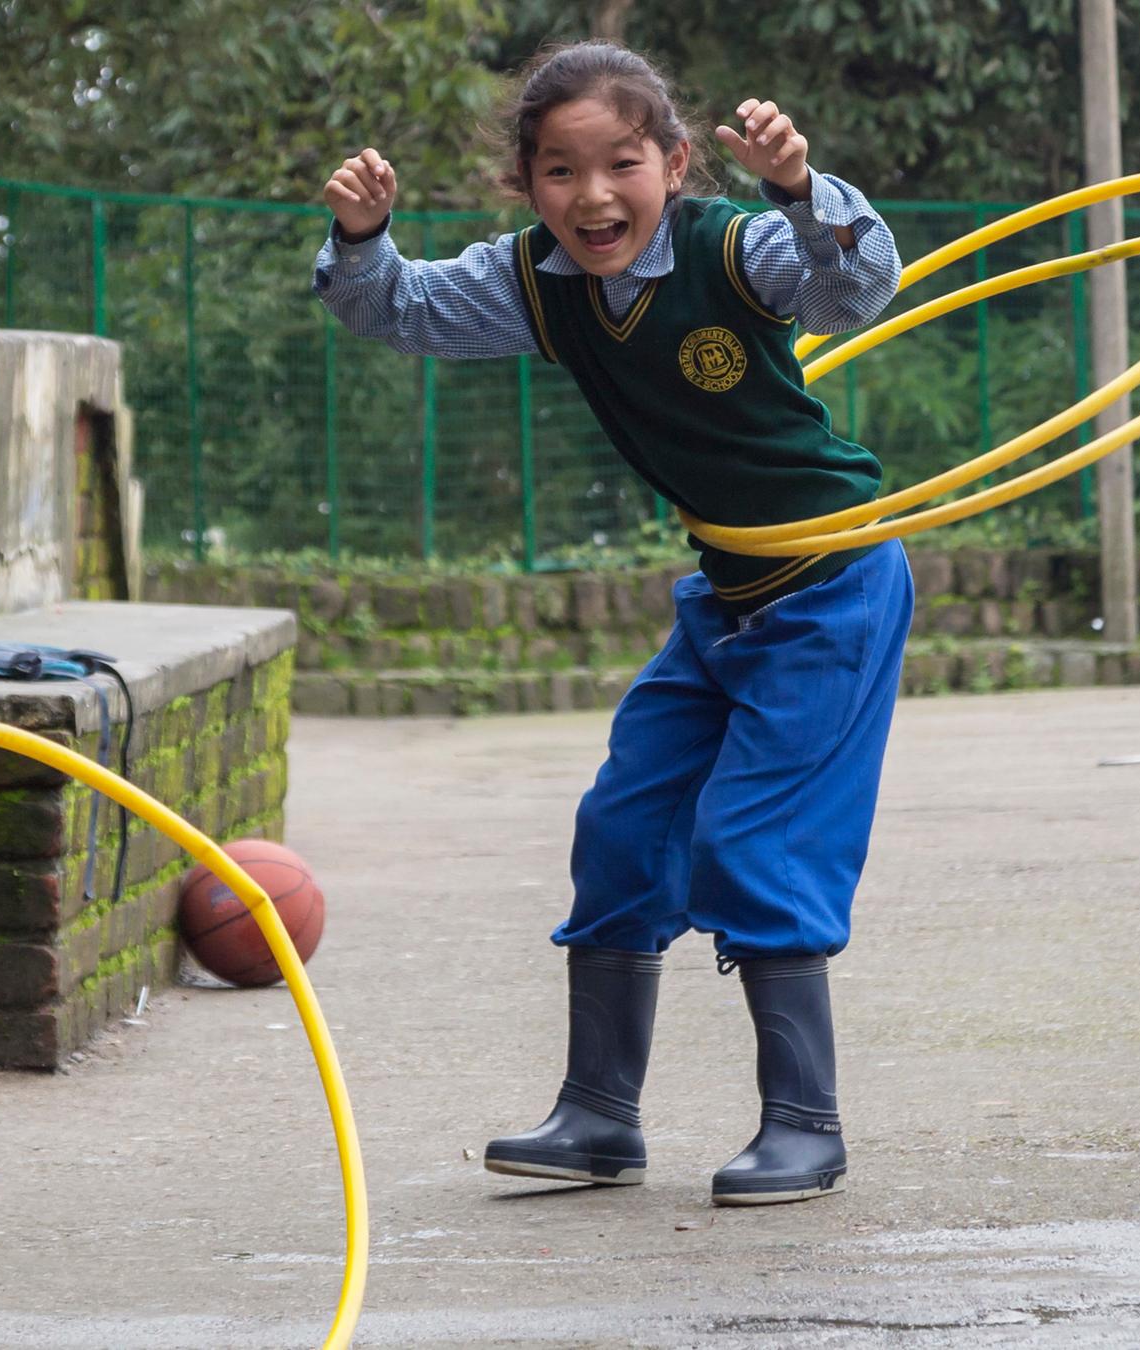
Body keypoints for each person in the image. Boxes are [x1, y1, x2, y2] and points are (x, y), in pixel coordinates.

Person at [314, 41, 910, 1205]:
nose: (593, 197)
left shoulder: (736, 249)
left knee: (755, 839)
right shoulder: (536, 282)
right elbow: (402, 309)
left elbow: (854, 291)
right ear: (526, 186)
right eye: (558, 172)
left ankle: (805, 1124)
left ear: (677, 164)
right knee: (624, 823)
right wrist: (359, 237)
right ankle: (598, 1116)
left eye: (622, 163)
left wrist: (799, 193)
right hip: (725, 595)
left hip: (831, 581)